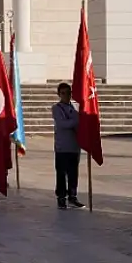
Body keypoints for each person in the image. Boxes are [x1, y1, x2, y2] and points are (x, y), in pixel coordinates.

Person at [52, 82, 85, 210]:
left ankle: (72, 196)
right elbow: (62, 124)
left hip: (74, 146)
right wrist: (76, 121)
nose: (66, 96)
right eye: (63, 93)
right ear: (59, 94)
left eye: (69, 93)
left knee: (73, 174)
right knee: (61, 174)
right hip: (62, 146)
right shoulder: (57, 108)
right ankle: (61, 197)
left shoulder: (76, 107)